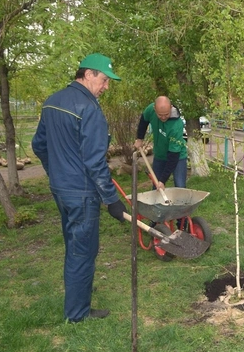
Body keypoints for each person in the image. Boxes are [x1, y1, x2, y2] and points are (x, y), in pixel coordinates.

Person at [32, 53, 128, 323]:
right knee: (83, 250)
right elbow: (95, 161)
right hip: (82, 193)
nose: (106, 86)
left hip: (61, 190)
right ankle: (77, 314)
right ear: (88, 75)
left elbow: (39, 145)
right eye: (104, 80)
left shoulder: (52, 102)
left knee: (74, 245)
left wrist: (57, 174)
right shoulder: (90, 109)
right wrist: (111, 200)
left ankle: (79, 289)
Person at [134, 96, 188, 190]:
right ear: (155, 109)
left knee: (180, 187)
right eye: (160, 115)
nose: (163, 117)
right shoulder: (150, 109)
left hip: (178, 157)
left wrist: (163, 180)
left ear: (171, 108)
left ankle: (181, 205)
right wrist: (140, 138)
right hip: (159, 155)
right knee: (156, 187)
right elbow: (144, 120)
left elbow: (173, 156)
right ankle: (157, 205)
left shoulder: (176, 125)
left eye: (166, 114)